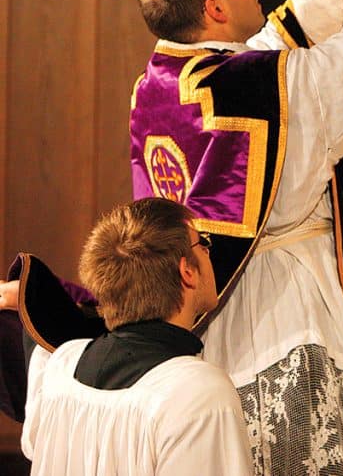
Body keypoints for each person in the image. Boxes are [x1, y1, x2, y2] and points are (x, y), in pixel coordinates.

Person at [129, 0, 343, 474]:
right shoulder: (262, 85)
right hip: (289, 319)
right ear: (214, 7)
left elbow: (264, 59)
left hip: (208, 321)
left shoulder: (161, 84)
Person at [21, 198, 251, 475]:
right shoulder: (197, 392)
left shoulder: (62, 367)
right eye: (203, 244)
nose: (208, 252)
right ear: (186, 271)